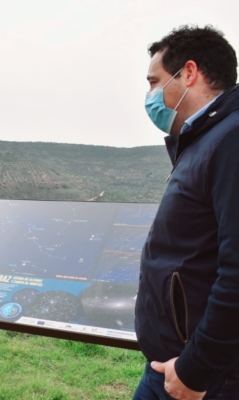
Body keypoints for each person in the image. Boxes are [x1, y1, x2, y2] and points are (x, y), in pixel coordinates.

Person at [134, 25, 239, 400]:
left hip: (202, 378)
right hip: (171, 366)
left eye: (154, 82)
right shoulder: (204, 140)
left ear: (189, 73)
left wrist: (196, 371)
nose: (150, 95)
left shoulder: (230, 140)